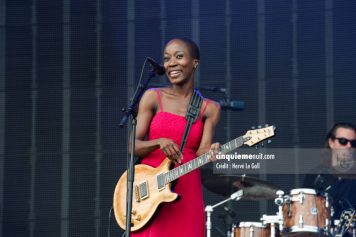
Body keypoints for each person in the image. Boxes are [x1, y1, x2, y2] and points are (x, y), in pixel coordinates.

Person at [131, 38, 221, 237]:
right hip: (150, 190)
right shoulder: (152, 96)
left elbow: (202, 153)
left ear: (194, 63)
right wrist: (158, 141)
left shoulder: (210, 108)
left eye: (179, 57)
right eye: (166, 58)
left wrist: (213, 151)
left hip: (186, 189)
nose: (171, 63)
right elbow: (132, 146)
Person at [303, 122, 356, 226]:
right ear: (331, 143)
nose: (349, 146)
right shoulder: (315, 175)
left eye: (353, 143)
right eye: (343, 141)